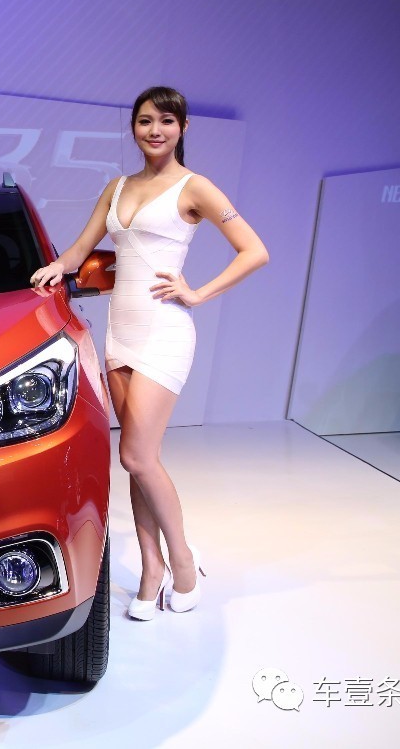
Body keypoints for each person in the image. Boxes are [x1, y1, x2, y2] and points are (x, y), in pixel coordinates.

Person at [30, 86, 267, 619]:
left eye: (166, 120)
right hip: (121, 333)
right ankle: (151, 567)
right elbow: (80, 249)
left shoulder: (195, 186)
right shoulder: (117, 187)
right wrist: (55, 268)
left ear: (182, 127)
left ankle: (182, 562)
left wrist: (197, 293)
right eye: (144, 121)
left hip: (164, 330)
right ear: (133, 127)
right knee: (140, 460)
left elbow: (254, 251)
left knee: (136, 456)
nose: (154, 130)